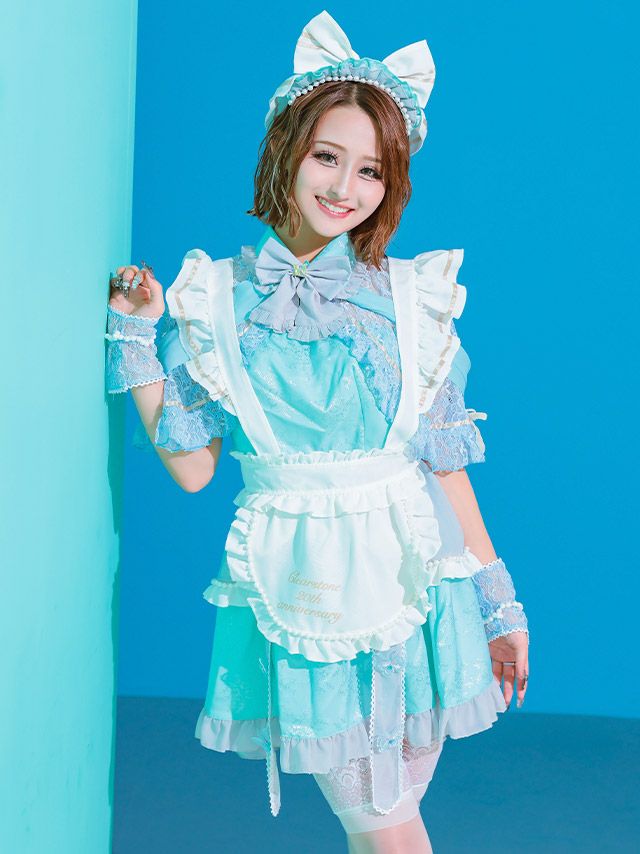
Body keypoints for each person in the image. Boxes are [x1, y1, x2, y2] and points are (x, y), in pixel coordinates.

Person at [105, 11, 529, 853]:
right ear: (287, 150)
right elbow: (193, 468)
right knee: (386, 831)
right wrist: (135, 337)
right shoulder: (214, 299)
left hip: (424, 585)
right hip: (308, 590)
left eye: (371, 170)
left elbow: (443, 467)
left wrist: (498, 602)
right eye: (328, 157)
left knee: (390, 832)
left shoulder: (412, 299)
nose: (345, 187)